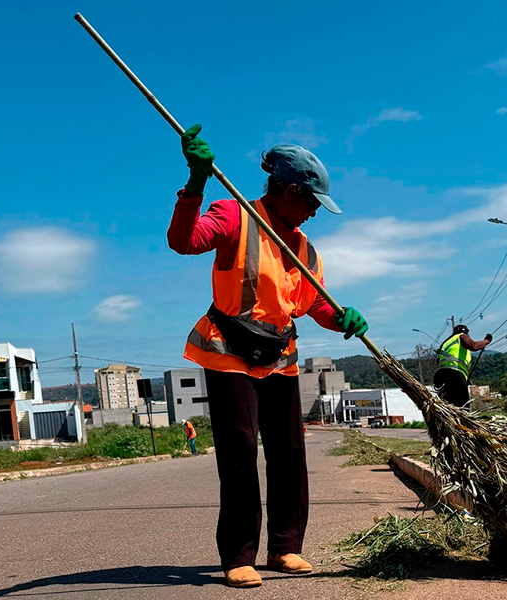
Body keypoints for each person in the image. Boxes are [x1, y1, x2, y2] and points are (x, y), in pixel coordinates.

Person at [167, 125, 368, 589]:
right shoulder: (235, 215)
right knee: (240, 453)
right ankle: (239, 555)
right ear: (289, 191)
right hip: (229, 351)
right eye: (312, 202)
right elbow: (184, 241)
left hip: (279, 355)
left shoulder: (304, 249)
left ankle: (285, 547)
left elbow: (314, 303)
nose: (314, 213)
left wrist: (343, 318)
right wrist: (196, 182)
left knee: (289, 453)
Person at [433, 324, 492, 408]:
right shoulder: (461, 336)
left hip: (439, 377)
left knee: (450, 407)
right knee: (463, 407)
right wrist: (486, 341)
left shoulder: (447, 343)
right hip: (454, 375)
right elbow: (474, 346)